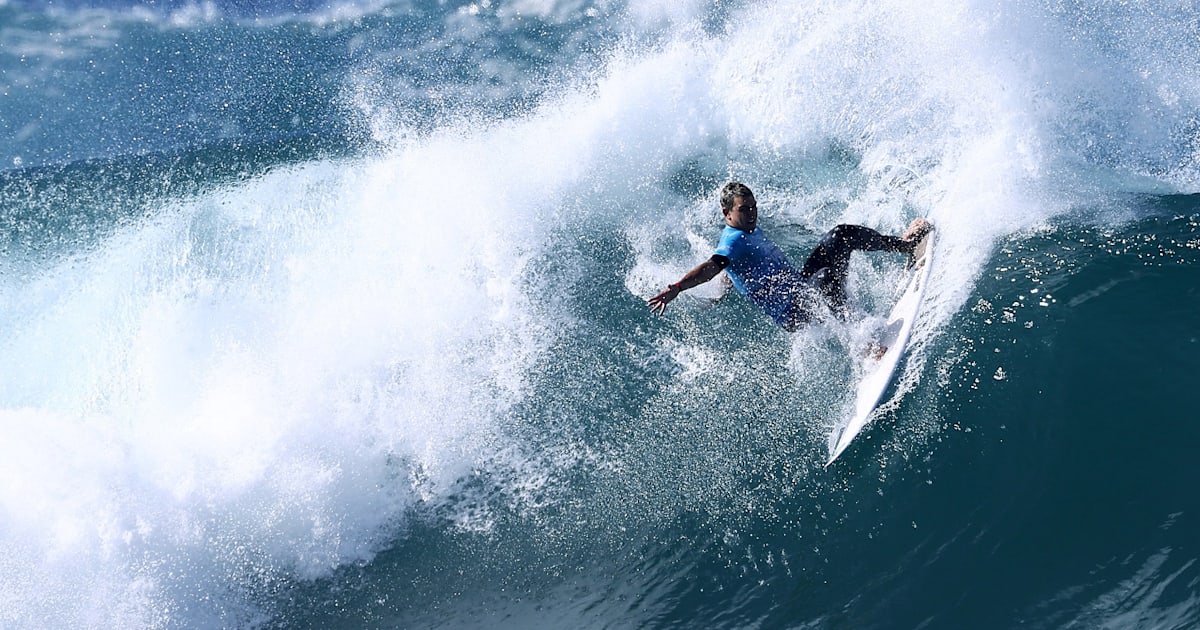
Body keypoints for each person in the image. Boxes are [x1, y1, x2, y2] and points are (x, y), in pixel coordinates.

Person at [647, 182, 931, 332]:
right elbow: (712, 266)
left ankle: (904, 247)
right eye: (744, 209)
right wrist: (676, 289)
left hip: (800, 292)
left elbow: (729, 269)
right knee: (829, 280)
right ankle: (865, 344)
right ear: (727, 214)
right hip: (795, 310)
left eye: (753, 207)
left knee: (841, 236)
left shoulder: (746, 231)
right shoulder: (732, 242)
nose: (752, 213)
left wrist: (722, 289)